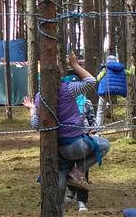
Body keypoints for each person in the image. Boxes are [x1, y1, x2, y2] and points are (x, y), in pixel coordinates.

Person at [31, 53, 109, 194]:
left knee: (60, 183)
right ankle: (78, 171)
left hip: (56, 148)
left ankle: (57, 210)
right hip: (75, 145)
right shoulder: (68, 88)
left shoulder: (39, 97)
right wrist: (74, 65)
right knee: (104, 145)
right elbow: (91, 81)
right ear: (60, 76)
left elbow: (35, 124)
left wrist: (32, 109)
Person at [95, 54, 131, 127]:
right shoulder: (122, 69)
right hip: (116, 91)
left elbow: (98, 78)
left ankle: (98, 127)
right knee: (109, 99)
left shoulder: (105, 69)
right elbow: (131, 73)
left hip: (105, 91)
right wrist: (133, 65)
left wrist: (100, 71)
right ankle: (108, 106)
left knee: (100, 111)